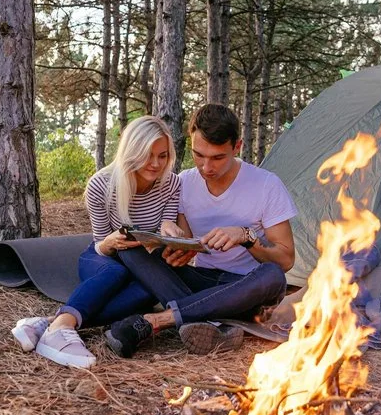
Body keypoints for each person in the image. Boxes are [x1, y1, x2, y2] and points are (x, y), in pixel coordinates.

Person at [103, 103, 297, 357]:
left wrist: (246, 237)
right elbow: (184, 239)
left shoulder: (266, 185)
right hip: (201, 281)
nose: (206, 167)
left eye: (218, 158)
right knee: (130, 250)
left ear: (237, 147)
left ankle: (156, 321)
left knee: (272, 276)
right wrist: (175, 247)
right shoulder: (184, 182)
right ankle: (213, 324)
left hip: (244, 288)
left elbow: (285, 259)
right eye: (198, 155)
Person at [11, 115, 180, 368]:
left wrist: (171, 230)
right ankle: (59, 331)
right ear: (132, 151)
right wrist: (111, 242)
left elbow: (167, 223)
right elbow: (101, 244)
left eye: (163, 155)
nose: (156, 164)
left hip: (143, 263)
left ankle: (51, 323)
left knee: (149, 290)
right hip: (103, 258)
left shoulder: (172, 184)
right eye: (148, 154)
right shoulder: (101, 185)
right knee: (116, 271)